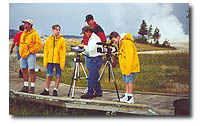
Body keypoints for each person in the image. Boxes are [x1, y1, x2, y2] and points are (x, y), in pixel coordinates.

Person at [109, 31, 140, 104]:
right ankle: (127, 95)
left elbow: (130, 56)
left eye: (114, 40)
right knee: (126, 81)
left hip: (129, 66)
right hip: (125, 67)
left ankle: (130, 97)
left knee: (129, 81)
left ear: (118, 37)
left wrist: (128, 68)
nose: (114, 42)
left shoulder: (127, 42)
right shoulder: (121, 43)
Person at [81, 14, 107, 94]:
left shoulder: (97, 29)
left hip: (95, 53)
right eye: (87, 21)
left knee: (92, 74)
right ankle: (97, 90)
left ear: (92, 20)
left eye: (89, 21)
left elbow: (102, 40)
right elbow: (85, 40)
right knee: (92, 72)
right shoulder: (88, 31)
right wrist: (82, 44)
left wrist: (100, 48)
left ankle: (91, 90)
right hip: (88, 52)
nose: (88, 22)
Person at [40, 24, 66, 96]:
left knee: (58, 75)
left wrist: (62, 62)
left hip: (58, 60)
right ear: (53, 30)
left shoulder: (62, 40)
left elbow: (63, 51)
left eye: (59, 29)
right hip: (50, 60)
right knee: (49, 75)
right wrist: (45, 61)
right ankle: (46, 89)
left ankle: (55, 90)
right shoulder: (48, 39)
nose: (58, 31)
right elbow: (46, 51)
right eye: (56, 29)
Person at [79, 25, 103, 99]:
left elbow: (91, 49)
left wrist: (83, 47)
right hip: (94, 58)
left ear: (88, 31)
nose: (85, 35)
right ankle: (99, 92)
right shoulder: (91, 38)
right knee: (95, 76)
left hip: (96, 58)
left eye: (85, 33)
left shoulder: (94, 38)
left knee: (91, 77)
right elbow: (90, 49)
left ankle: (90, 93)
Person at [19, 19, 42, 94]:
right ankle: (25, 86)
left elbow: (38, 44)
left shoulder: (34, 34)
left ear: (30, 25)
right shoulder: (23, 34)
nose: (24, 24)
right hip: (23, 55)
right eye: (24, 23)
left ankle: (32, 87)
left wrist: (30, 51)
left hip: (30, 54)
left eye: (26, 23)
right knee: (24, 70)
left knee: (31, 70)